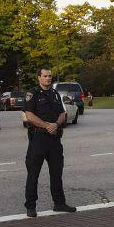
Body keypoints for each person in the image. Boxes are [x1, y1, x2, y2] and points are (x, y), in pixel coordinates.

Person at [23, 68, 77, 216]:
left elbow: (62, 113)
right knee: (33, 174)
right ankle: (31, 206)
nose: (48, 78)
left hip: (54, 139)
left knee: (56, 173)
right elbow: (29, 115)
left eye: (50, 76)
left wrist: (56, 125)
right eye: (45, 76)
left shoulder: (54, 94)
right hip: (38, 139)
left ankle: (59, 203)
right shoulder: (32, 94)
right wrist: (47, 126)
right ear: (39, 77)